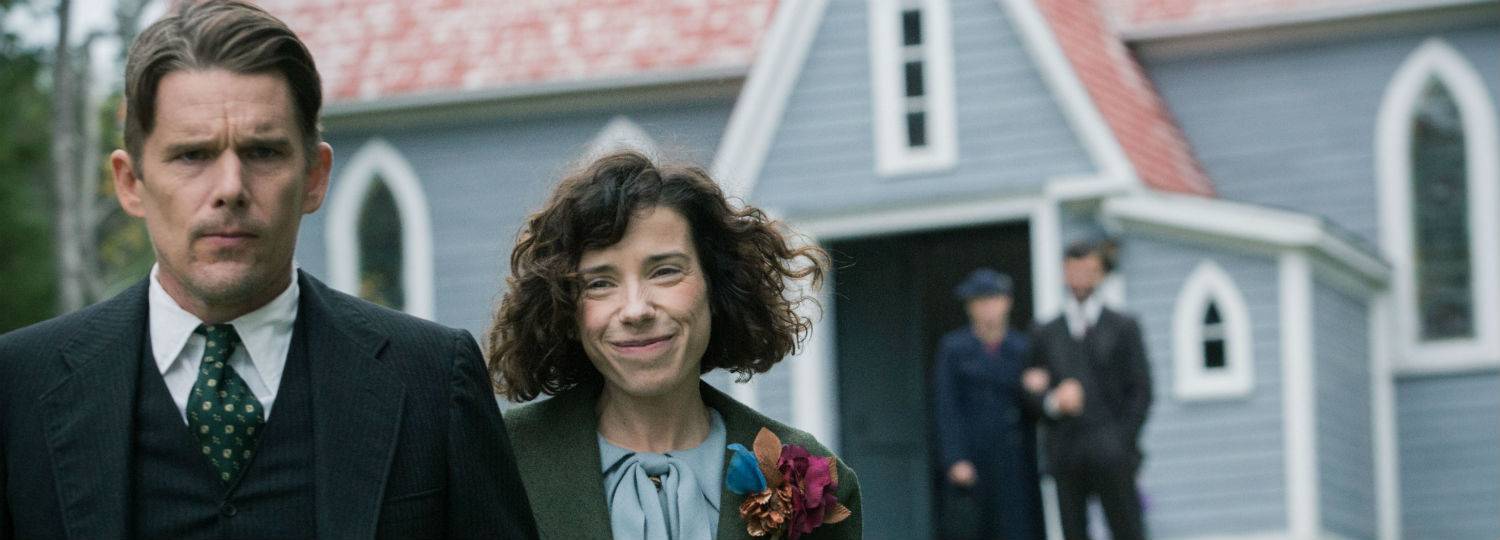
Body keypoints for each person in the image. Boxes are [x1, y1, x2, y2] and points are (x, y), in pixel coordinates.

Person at [0, 2, 538, 538]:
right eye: (192, 155)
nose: (230, 188)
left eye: (262, 152)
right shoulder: (19, 385)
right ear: (130, 183)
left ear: (315, 177)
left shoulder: (432, 378)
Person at [488, 150, 861, 539]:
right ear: (564, 308)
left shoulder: (812, 479)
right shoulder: (500, 458)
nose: (636, 310)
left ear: (718, 286)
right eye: (599, 283)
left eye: (665, 272)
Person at [1023, 239, 1152, 540]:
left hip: (1113, 450)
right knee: (1073, 531)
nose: (1081, 278)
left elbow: (1141, 391)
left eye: (1088, 270)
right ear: (1064, 273)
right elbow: (1030, 391)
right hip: (1066, 452)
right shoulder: (1044, 333)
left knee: (1127, 529)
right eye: (1074, 270)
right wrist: (1053, 402)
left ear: (1100, 274)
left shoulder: (1123, 327)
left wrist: (1121, 441)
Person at [933, 269, 1043, 540]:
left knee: (1017, 528)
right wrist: (955, 458)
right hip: (974, 457)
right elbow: (946, 406)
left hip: (1015, 458)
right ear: (969, 307)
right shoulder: (954, 348)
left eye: (993, 300)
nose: (987, 309)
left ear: (1007, 303)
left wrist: (1036, 388)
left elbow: (1038, 407)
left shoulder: (1023, 348)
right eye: (980, 302)